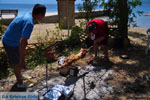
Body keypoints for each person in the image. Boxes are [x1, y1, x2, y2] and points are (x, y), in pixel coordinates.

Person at [2, 4, 46, 88]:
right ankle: (20, 83)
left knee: (18, 61)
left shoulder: (28, 14)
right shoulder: (29, 23)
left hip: (11, 38)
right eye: (44, 14)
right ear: (40, 15)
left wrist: (24, 42)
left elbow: (23, 39)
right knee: (17, 62)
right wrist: (22, 60)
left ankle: (20, 75)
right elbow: (22, 43)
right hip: (10, 42)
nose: (44, 17)